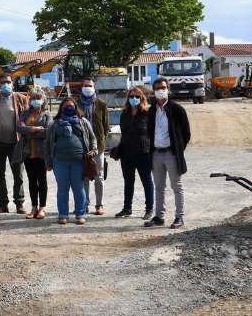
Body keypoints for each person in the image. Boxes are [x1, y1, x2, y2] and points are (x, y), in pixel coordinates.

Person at [145, 76, 191, 229]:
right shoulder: (151, 110)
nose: (160, 91)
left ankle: (179, 217)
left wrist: (178, 149)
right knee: (159, 186)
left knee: (176, 186)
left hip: (171, 154)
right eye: (157, 88)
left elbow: (186, 133)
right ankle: (159, 216)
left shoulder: (177, 109)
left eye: (163, 88)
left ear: (169, 90)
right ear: (153, 91)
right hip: (156, 154)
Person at [44, 97, 97, 225]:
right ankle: (63, 215)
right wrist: (48, 162)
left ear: (76, 107)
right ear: (61, 108)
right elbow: (47, 143)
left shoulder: (83, 122)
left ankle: (81, 214)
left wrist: (93, 150)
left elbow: (92, 138)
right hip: (59, 161)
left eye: (71, 106)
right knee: (62, 189)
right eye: (65, 106)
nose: (69, 108)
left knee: (79, 188)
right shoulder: (54, 124)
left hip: (79, 161)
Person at [0, 73, 29, 214]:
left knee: (18, 174)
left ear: (12, 84)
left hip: (16, 143)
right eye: (3, 82)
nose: (6, 84)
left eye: (8, 82)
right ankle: (3, 204)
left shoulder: (21, 99)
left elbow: (27, 119)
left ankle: (19, 203)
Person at [115, 86, 154, 220]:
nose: (134, 99)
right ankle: (127, 208)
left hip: (143, 152)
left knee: (147, 181)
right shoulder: (124, 114)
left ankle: (149, 208)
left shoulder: (147, 113)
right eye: (131, 96)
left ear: (142, 98)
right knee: (128, 181)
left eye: (137, 96)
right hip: (126, 153)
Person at [16, 88, 54, 220]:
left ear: (43, 100)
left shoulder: (47, 114)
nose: (36, 100)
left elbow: (47, 132)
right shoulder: (25, 113)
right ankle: (34, 207)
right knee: (31, 180)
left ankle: (42, 207)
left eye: (38, 98)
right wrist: (34, 129)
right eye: (33, 98)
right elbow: (18, 128)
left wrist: (28, 132)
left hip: (41, 152)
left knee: (42, 180)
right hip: (27, 152)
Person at [79, 77, 109, 215]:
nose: (87, 88)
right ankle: (84, 204)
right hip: (81, 145)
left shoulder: (101, 104)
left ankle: (99, 204)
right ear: (81, 87)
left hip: (98, 145)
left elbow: (106, 126)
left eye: (90, 85)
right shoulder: (76, 103)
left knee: (98, 175)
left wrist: (100, 142)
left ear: (94, 87)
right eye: (85, 85)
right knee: (84, 176)